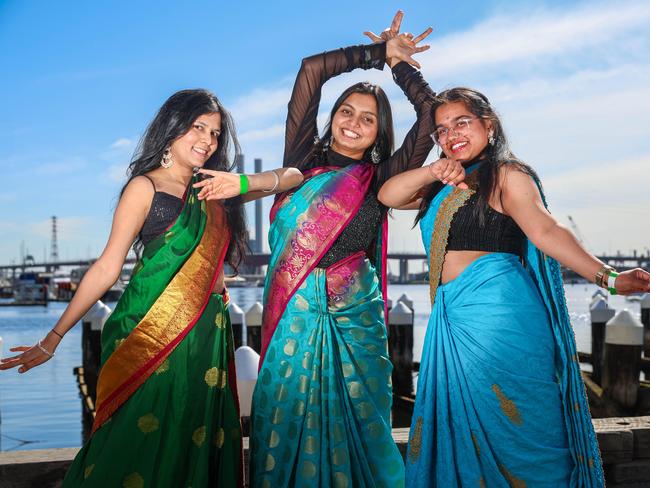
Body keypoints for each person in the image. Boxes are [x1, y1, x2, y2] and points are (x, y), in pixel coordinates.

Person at [0, 88, 303, 488]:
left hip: (204, 334)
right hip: (147, 329)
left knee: (194, 434)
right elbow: (108, 266)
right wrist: (54, 338)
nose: (208, 141)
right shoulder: (144, 188)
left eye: (215, 133)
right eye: (198, 127)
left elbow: (294, 177)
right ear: (172, 127)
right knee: (138, 436)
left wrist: (241, 182)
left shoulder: (216, 188)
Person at [378, 87, 650, 487]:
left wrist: (606, 277)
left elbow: (544, 229)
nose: (452, 134)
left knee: (519, 435)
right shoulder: (440, 184)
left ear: (489, 126)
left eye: (463, 123)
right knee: (462, 430)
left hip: (501, 318)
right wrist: (434, 169)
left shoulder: (506, 174)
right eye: (442, 130)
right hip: (453, 318)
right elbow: (388, 194)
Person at [249, 12, 435, 488]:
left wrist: (401, 67)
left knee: (365, 428)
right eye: (346, 111)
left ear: (379, 133)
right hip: (293, 312)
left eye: (368, 119)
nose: (354, 123)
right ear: (331, 117)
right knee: (287, 418)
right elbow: (312, 69)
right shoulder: (299, 163)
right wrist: (375, 54)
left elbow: (430, 113)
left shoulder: (384, 178)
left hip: (357, 321)